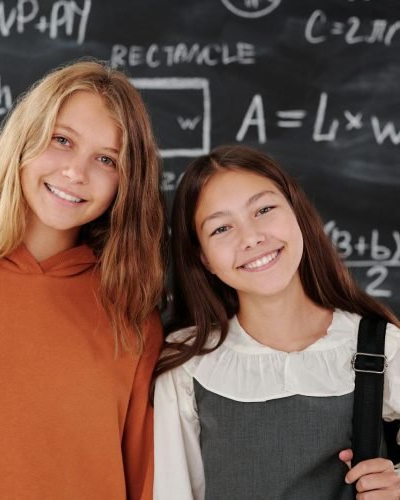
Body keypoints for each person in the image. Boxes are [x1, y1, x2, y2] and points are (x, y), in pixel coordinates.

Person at [0, 60, 167, 499]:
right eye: (62, 140)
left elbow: (146, 484)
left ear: (126, 182)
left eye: (106, 159)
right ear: (24, 140)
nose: (76, 173)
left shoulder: (131, 312)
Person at [153, 145, 400, 499]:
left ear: (296, 211)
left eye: (264, 210)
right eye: (221, 228)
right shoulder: (188, 365)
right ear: (203, 258)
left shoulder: (379, 348)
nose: (251, 237)